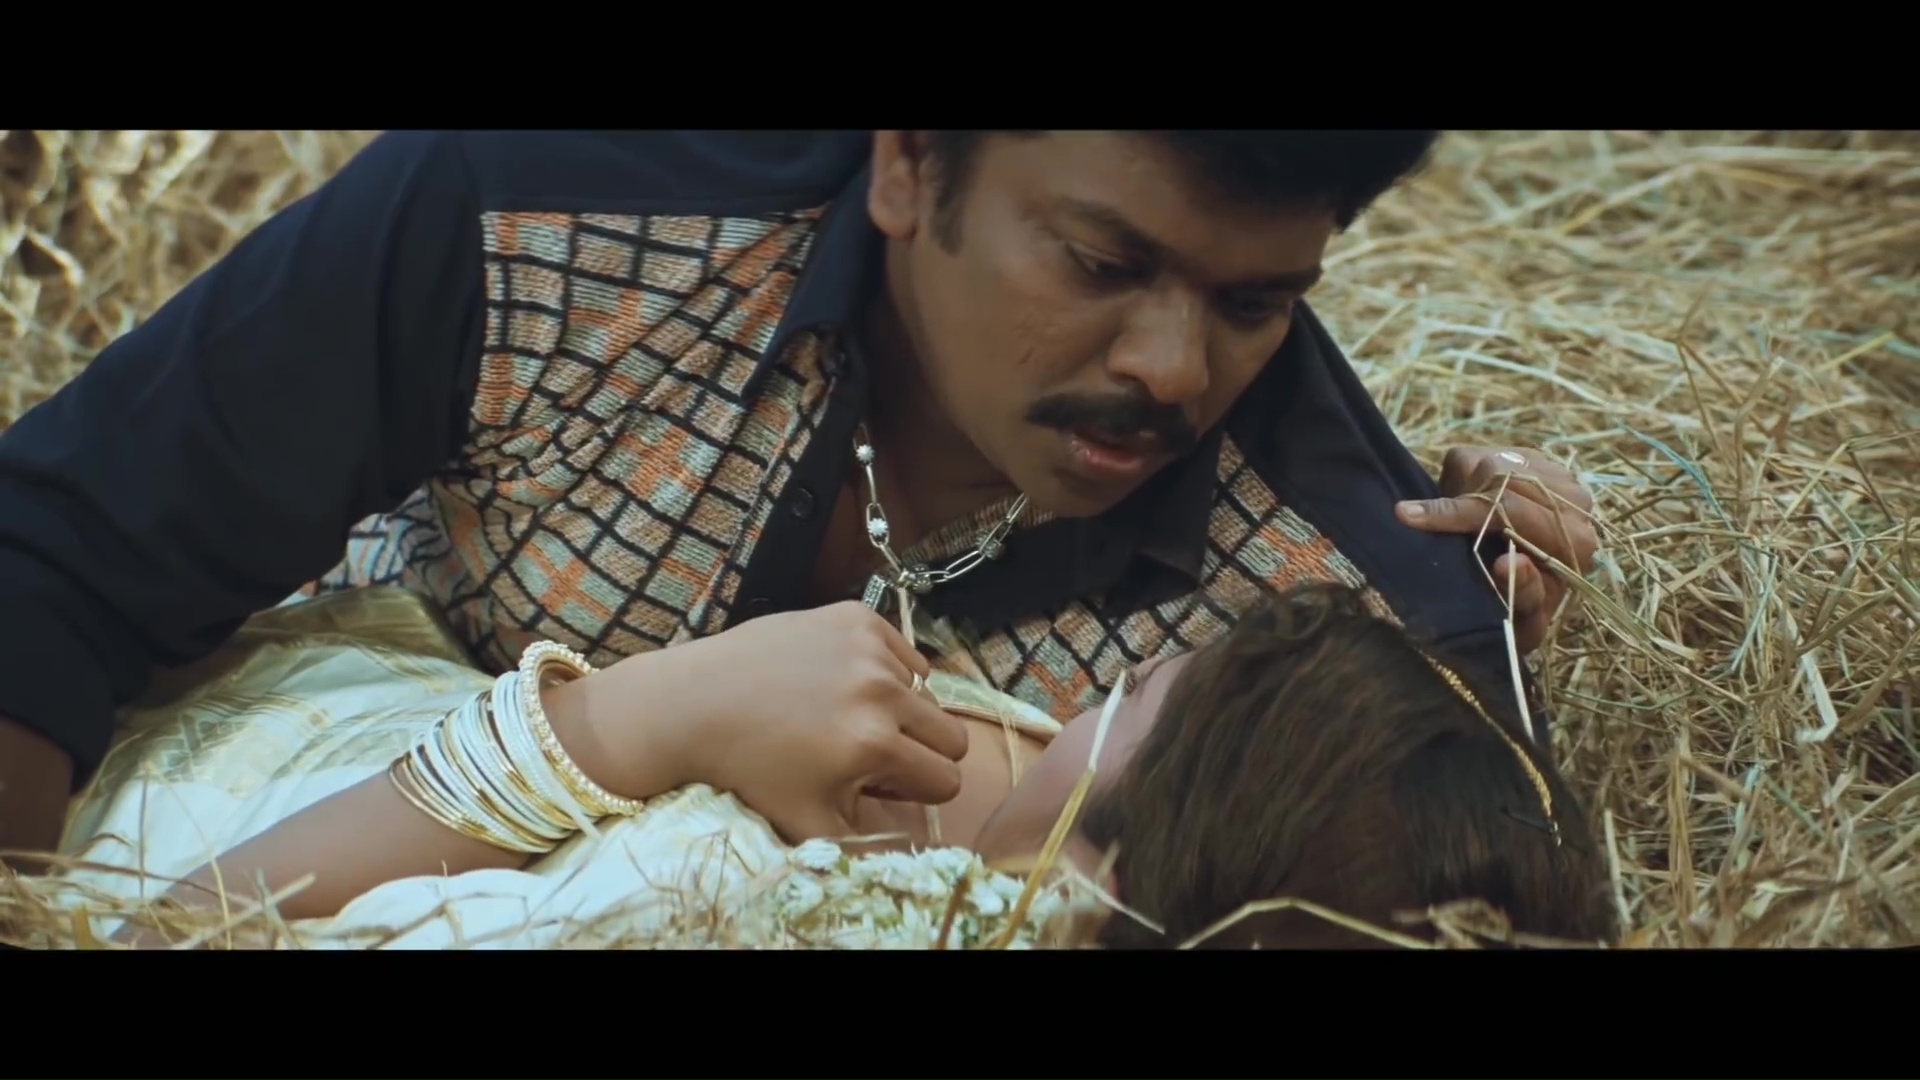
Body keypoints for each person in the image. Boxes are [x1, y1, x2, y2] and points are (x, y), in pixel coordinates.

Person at [0, 131, 1602, 864]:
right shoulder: (538, 226)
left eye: (1258, 303)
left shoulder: (1334, 611)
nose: (1174, 369)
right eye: (1100, 262)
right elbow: (53, 568)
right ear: (907, 164)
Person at [11, 581, 1614, 950]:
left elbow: (165, 928)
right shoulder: (987, 849)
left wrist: (633, 723)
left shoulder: (714, 899)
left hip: (153, 777)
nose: (1077, 701)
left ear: (1113, 878)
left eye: (1134, 698)